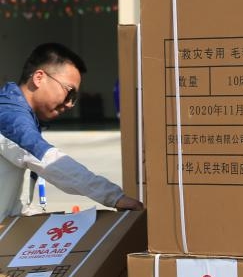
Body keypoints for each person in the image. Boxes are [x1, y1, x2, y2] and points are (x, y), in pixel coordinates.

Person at [0, 43, 144, 216]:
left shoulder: (18, 113)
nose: (70, 104)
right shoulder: (10, 115)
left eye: (74, 98)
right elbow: (50, 161)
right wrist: (114, 197)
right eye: (70, 92)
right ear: (39, 78)